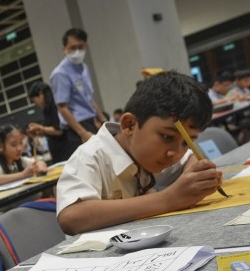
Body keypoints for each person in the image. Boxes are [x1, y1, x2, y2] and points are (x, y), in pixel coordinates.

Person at [56, 71, 221, 235]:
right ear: (129, 125)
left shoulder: (152, 154)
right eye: (167, 137)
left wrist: (198, 177)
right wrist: (169, 199)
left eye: (186, 142)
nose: (176, 153)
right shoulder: (90, 157)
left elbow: (190, 158)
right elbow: (71, 217)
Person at [50, 28, 108, 154]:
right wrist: (82, 132)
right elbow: (62, 107)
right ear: (64, 49)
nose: (77, 52)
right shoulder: (60, 73)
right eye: (72, 48)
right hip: (76, 128)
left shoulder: (84, 68)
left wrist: (103, 119)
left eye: (80, 47)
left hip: (90, 122)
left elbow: (89, 98)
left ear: (86, 46)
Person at [24, 82, 70, 164]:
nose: (35, 104)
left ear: (41, 94)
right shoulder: (47, 109)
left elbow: (59, 131)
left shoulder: (54, 105)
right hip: (57, 150)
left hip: (65, 148)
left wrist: (40, 128)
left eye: (34, 100)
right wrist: (39, 131)